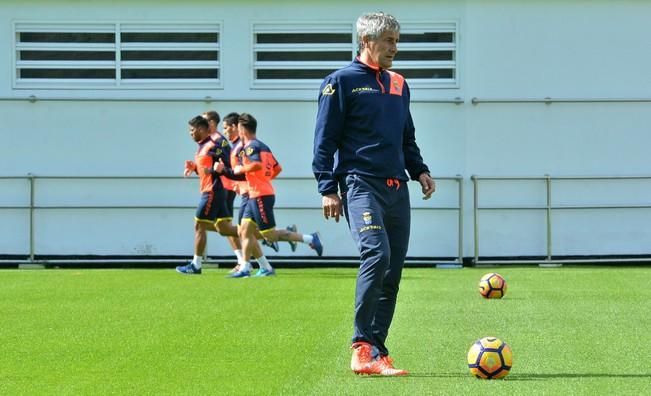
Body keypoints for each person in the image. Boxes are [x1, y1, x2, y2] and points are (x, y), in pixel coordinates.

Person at [312, 12, 436, 376]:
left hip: (397, 188)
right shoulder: (340, 82)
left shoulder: (399, 84)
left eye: (397, 41)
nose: (395, 49)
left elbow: (406, 137)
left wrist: (420, 170)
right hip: (359, 184)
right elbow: (325, 140)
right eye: (389, 42)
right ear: (367, 41)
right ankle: (361, 347)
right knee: (376, 255)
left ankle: (378, 352)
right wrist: (327, 188)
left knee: (392, 272)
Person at [216, 113, 323, 277]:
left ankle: (309, 238)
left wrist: (239, 170)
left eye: (234, 127)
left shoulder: (250, 146)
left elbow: (256, 165)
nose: (231, 131)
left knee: (270, 236)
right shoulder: (262, 146)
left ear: (241, 128)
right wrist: (262, 179)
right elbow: (277, 168)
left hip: (259, 195)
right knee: (244, 231)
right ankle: (247, 267)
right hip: (255, 193)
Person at [176, 115, 233, 275]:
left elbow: (229, 163)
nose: (190, 133)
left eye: (192, 130)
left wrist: (215, 170)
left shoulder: (214, 145)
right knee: (225, 229)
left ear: (201, 129)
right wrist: (194, 167)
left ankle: (196, 265)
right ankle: (264, 236)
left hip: (213, 191)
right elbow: (206, 170)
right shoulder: (202, 146)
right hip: (212, 189)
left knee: (199, 225)